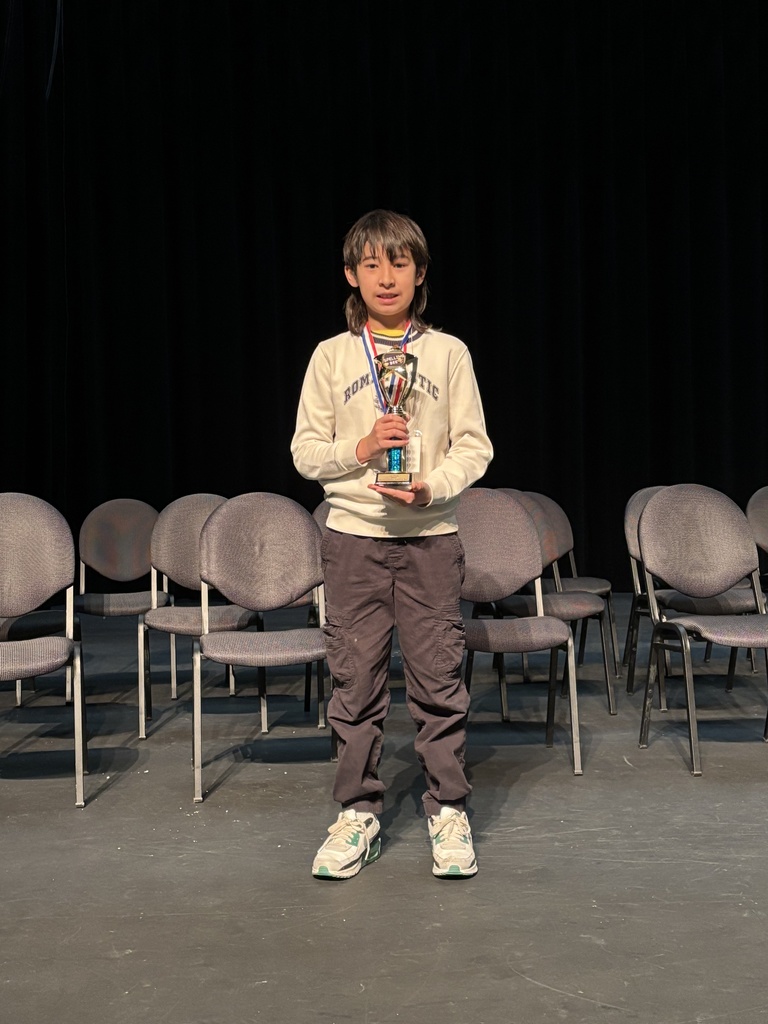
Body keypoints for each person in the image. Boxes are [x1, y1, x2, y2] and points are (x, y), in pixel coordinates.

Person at [291, 209, 493, 879]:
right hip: (353, 541)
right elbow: (305, 453)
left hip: (431, 539)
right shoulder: (332, 356)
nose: (386, 276)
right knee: (355, 682)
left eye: (399, 263)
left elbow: (475, 446)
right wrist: (363, 447)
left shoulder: (448, 353)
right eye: (371, 264)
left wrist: (432, 486)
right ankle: (357, 813)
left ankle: (448, 810)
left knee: (438, 679)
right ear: (351, 275)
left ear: (420, 273)